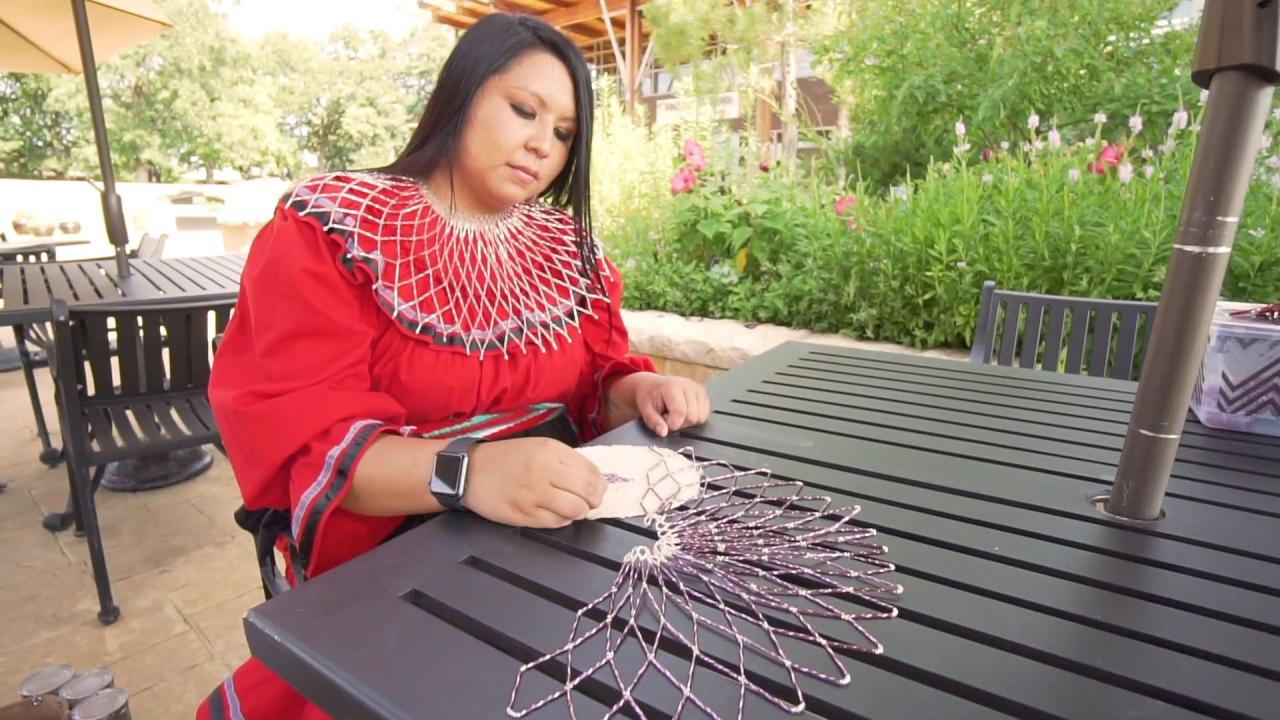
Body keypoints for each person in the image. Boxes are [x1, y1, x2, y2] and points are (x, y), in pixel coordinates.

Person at [196, 12, 711, 720]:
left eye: (563, 132)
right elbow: (313, 454)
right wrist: (470, 472)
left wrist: (639, 390)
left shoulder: (566, 248)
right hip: (401, 570)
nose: (541, 143)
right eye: (524, 109)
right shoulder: (335, 228)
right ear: (462, 93)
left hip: (563, 547)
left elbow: (595, 385)